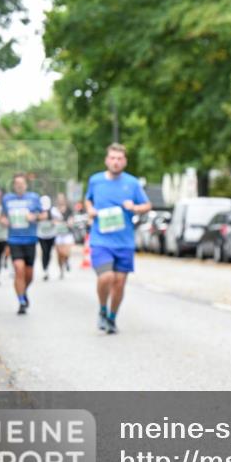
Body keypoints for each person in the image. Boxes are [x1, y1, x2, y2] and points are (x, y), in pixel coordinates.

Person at [85, 143, 151, 334]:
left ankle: (112, 317)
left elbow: (147, 205)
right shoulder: (95, 181)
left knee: (120, 283)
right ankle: (102, 309)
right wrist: (90, 209)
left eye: (119, 158)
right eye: (112, 158)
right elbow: (88, 199)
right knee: (107, 277)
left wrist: (135, 207)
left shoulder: (132, 183)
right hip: (101, 241)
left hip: (124, 242)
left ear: (125, 161)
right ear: (107, 160)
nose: (115, 162)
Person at [2, 174, 45, 314]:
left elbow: (44, 215)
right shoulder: (7, 199)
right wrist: (4, 221)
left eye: (22, 183)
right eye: (17, 183)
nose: (19, 185)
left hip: (30, 240)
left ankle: (23, 291)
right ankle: (21, 301)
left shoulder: (33, 198)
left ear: (26, 185)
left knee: (29, 275)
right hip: (14, 240)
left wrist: (35, 217)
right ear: (14, 185)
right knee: (18, 269)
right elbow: (2, 216)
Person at [51, 194, 75, 278]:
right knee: (59, 254)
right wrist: (55, 223)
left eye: (62, 199)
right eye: (59, 199)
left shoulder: (69, 209)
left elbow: (72, 219)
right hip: (58, 234)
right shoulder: (54, 210)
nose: (60, 200)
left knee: (66, 252)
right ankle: (61, 270)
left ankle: (67, 261)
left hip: (67, 233)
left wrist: (70, 223)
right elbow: (52, 221)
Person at [36, 194, 57, 281]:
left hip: (51, 235)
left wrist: (53, 220)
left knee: (49, 252)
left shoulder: (53, 210)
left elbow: (59, 218)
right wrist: (40, 217)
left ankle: (47, 267)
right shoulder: (38, 210)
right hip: (41, 235)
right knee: (44, 251)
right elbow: (34, 218)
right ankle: (45, 269)